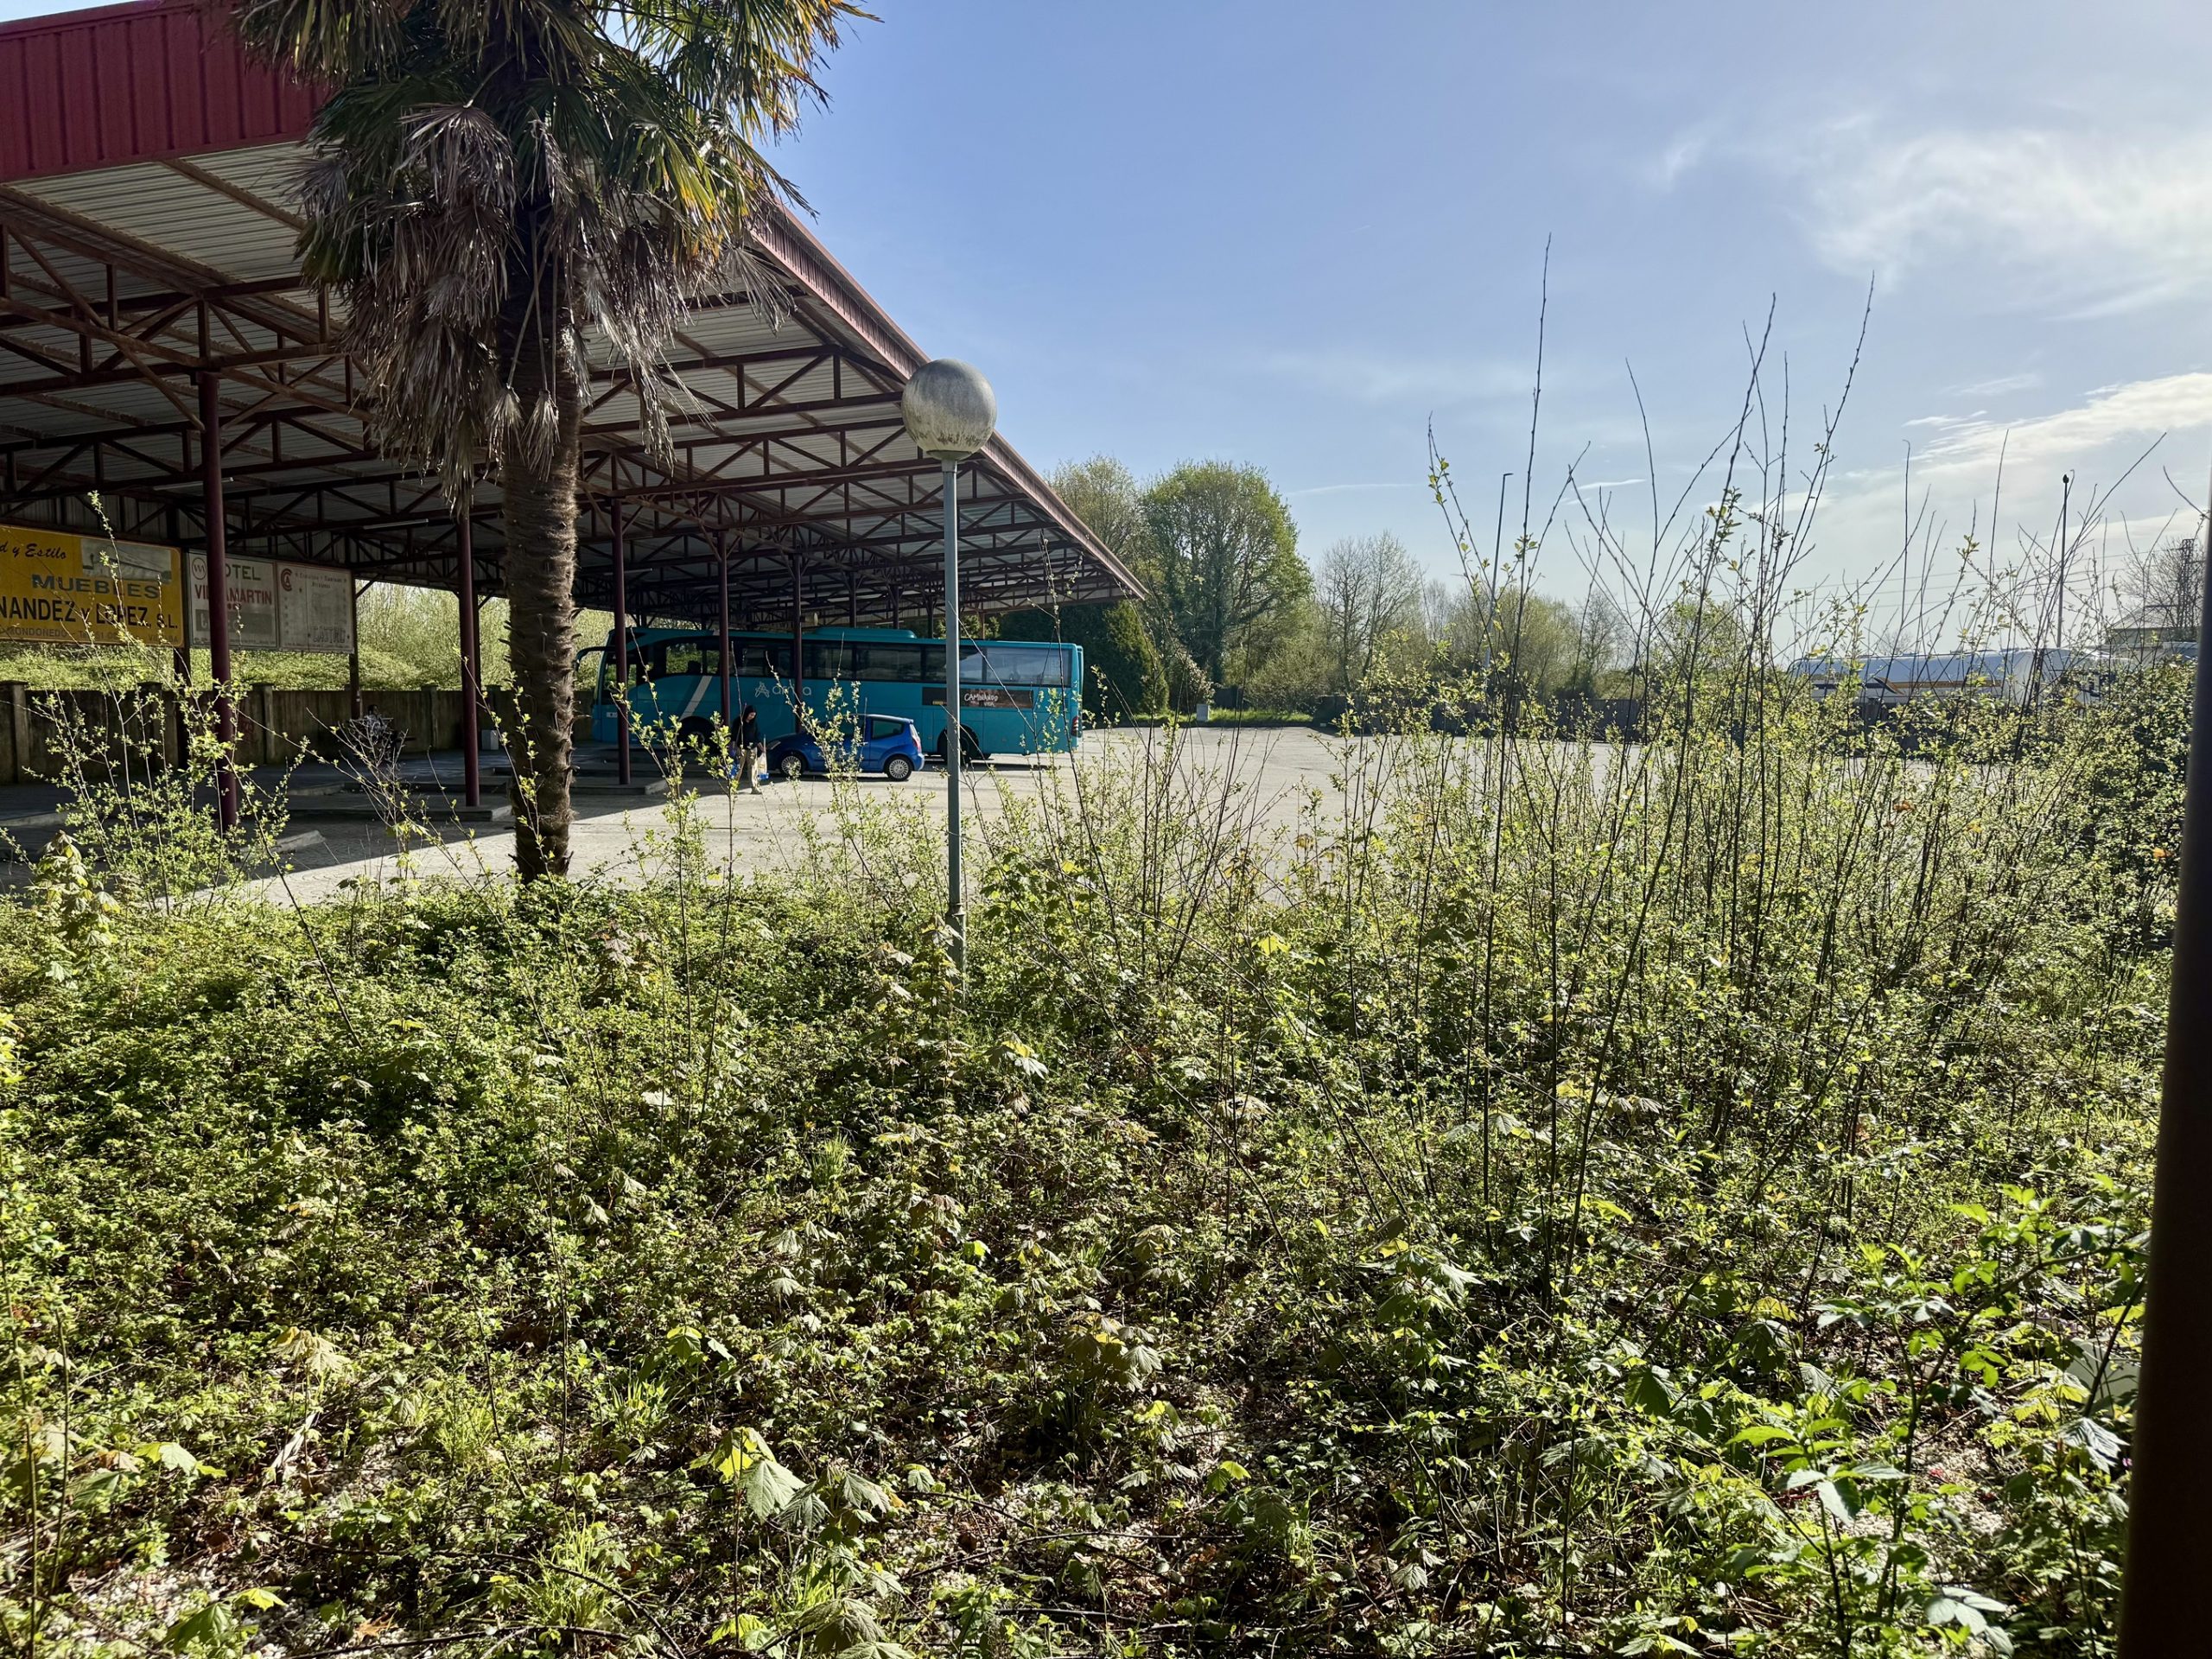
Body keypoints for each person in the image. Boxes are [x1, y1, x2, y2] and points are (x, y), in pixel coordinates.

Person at [736, 704, 763, 793]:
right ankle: (733, 786)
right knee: (738, 767)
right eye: (751, 715)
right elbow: (734, 735)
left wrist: (761, 748)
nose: (752, 717)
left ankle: (754, 787)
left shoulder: (754, 723)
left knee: (753, 767)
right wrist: (732, 747)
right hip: (741, 747)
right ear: (747, 713)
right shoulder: (739, 722)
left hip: (752, 748)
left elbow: (757, 736)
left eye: (754, 715)